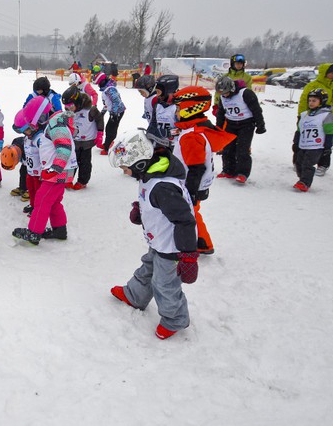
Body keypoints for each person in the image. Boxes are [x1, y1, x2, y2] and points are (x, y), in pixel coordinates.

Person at [108, 129, 199, 341]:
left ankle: (175, 319)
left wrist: (188, 256)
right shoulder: (152, 176)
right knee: (148, 268)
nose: (124, 172)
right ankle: (135, 295)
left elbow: (185, 220)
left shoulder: (162, 187)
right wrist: (141, 209)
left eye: (125, 168)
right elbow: (155, 203)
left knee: (165, 284)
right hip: (159, 240)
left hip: (173, 247)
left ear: (139, 163)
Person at [172, 86, 235, 254]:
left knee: (189, 215)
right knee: (192, 213)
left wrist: (191, 192)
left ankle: (200, 243)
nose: (176, 113)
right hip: (194, 184)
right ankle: (201, 242)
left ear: (189, 109)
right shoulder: (192, 130)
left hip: (191, 185)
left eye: (178, 109)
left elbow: (196, 167)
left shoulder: (191, 136)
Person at [12, 97, 75, 245]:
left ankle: (34, 232)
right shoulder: (51, 125)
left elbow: (64, 147)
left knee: (41, 199)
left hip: (58, 170)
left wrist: (55, 168)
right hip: (60, 170)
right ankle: (60, 230)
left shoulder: (55, 125)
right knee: (53, 201)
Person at [215, 75, 266, 183]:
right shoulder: (223, 98)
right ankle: (228, 170)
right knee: (228, 149)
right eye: (222, 93)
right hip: (231, 124)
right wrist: (218, 128)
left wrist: (260, 125)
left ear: (232, 88)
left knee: (242, 150)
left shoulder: (245, 93)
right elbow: (221, 113)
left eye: (226, 92)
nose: (224, 95)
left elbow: (256, 109)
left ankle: (242, 173)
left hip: (246, 124)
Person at [297, 63, 333, 176]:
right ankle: (299, 162)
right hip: (311, 116)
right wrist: (301, 116)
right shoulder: (313, 85)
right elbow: (304, 100)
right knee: (304, 140)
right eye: (332, 73)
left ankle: (323, 165)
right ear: (325, 73)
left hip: (326, 115)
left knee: (325, 141)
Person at [292, 89, 333, 192]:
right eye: (310, 100)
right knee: (299, 163)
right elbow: (299, 129)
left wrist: (328, 147)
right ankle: (302, 179)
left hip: (317, 146)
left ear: (321, 101)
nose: (311, 103)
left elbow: (330, 132)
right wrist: (296, 142)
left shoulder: (326, 115)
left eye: (314, 101)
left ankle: (305, 182)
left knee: (308, 164)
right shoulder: (304, 115)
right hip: (303, 144)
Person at [62, 85, 103, 190]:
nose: (68, 109)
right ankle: (68, 179)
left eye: (70, 106)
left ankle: (82, 181)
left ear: (77, 101)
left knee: (84, 162)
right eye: (66, 107)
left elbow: (99, 119)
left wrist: (100, 134)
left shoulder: (90, 109)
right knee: (72, 160)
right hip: (75, 140)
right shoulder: (70, 111)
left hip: (87, 141)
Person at [94, 71, 126, 154]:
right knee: (108, 128)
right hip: (114, 112)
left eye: (99, 83)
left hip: (118, 112)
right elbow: (107, 103)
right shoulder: (107, 89)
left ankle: (109, 148)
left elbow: (116, 101)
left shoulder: (110, 89)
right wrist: (102, 113)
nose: (98, 85)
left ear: (102, 82)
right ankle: (107, 144)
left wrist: (114, 114)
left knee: (111, 129)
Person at [148, 74, 179, 148]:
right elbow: (153, 123)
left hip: (174, 145)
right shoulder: (158, 105)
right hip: (159, 144)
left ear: (168, 92)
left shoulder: (177, 107)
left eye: (159, 92)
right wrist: (151, 130)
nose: (157, 95)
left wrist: (167, 133)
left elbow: (181, 129)